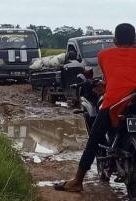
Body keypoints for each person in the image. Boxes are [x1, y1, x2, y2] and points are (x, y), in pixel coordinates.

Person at [54, 23, 136, 192]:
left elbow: (110, 78)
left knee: (94, 139)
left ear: (115, 39)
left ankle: (77, 181)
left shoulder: (104, 55)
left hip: (116, 102)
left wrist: (101, 84)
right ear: (134, 39)